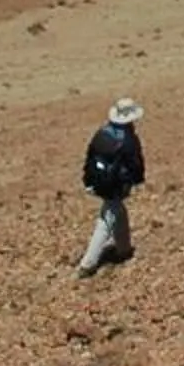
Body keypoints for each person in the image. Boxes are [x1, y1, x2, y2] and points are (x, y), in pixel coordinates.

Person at [76, 98, 147, 276]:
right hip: (115, 186)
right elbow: (135, 165)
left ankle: (124, 249)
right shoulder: (128, 140)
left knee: (118, 212)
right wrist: (137, 180)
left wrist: (89, 182)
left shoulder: (102, 133)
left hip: (99, 183)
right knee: (107, 220)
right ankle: (87, 264)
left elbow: (90, 158)